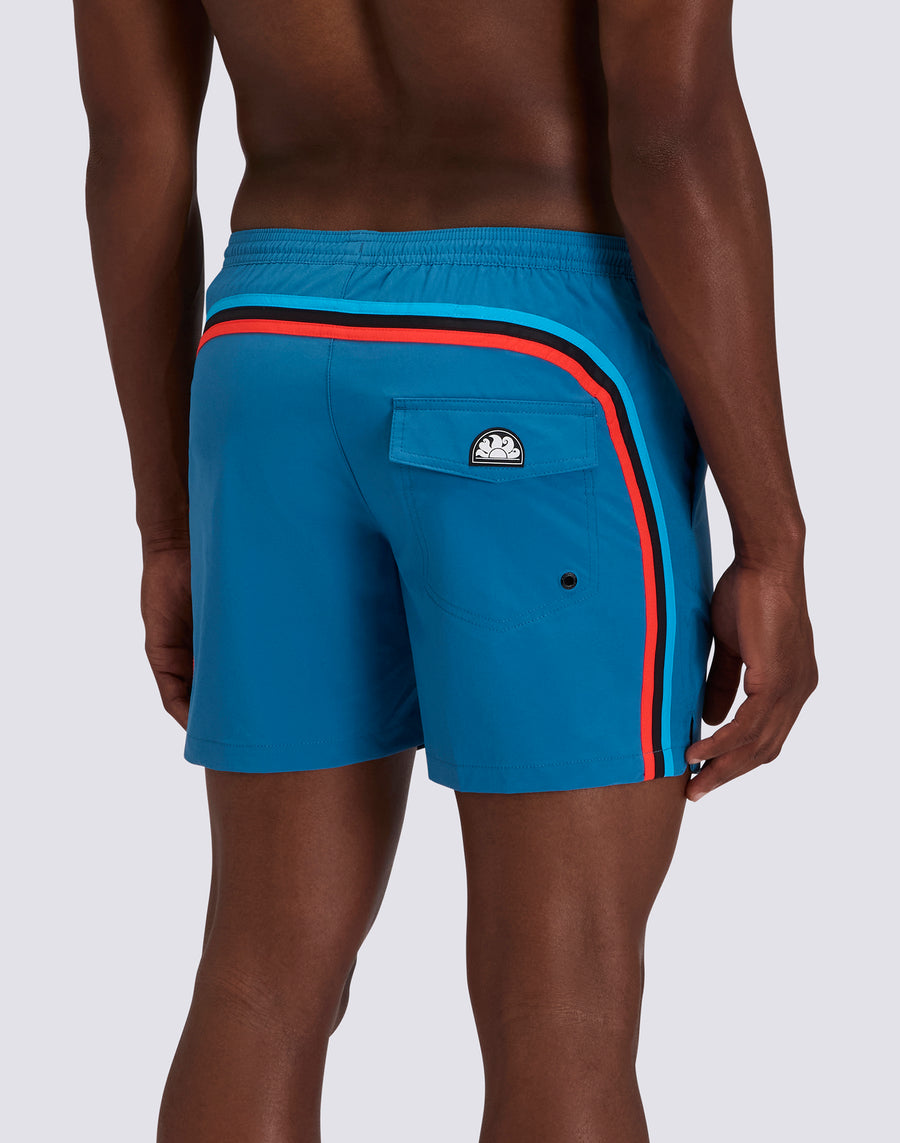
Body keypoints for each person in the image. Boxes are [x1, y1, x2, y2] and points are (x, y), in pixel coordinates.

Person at [73, 0, 818, 1139]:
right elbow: (674, 133)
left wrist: (167, 526)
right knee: (561, 1003)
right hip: (534, 355)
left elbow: (134, 149)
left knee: (259, 977)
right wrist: (772, 540)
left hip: (267, 353)